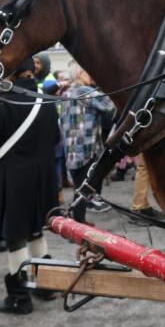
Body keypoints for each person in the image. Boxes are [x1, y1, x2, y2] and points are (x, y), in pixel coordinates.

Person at [0, 58, 60, 314]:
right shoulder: (47, 98)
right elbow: (55, 138)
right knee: (36, 231)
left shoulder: (3, 100)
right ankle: (46, 285)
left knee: (15, 235)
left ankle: (20, 296)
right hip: (42, 177)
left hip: (13, 178)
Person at [59, 69, 115, 220]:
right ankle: (79, 221)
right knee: (82, 187)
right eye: (87, 72)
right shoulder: (85, 91)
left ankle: (77, 218)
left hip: (71, 147)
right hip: (85, 147)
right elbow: (110, 105)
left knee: (79, 186)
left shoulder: (66, 93)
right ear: (78, 75)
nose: (91, 75)